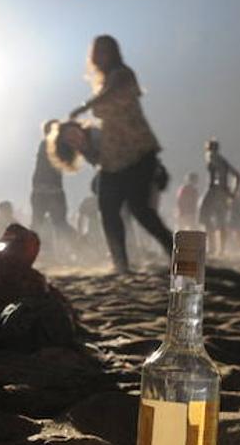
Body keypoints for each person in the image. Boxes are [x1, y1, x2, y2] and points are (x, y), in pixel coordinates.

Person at [68, 35, 172, 272]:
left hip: (136, 152)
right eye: (98, 52)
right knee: (108, 207)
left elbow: (111, 95)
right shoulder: (105, 81)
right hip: (114, 156)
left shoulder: (123, 74)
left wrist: (85, 106)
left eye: (105, 51)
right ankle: (120, 263)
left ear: (113, 53)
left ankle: (174, 251)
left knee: (140, 210)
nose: (100, 56)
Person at [30, 120, 76, 256]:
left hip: (45, 191)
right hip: (49, 191)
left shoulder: (51, 145)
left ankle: (81, 248)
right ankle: (81, 248)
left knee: (42, 223)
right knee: (57, 223)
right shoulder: (52, 145)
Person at [198, 138, 240, 256]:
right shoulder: (223, 160)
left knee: (203, 216)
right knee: (220, 220)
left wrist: (215, 184)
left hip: (214, 190)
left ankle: (211, 247)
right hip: (224, 192)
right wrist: (232, 192)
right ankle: (221, 250)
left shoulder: (210, 155)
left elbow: (215, 173)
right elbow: (238, 176)